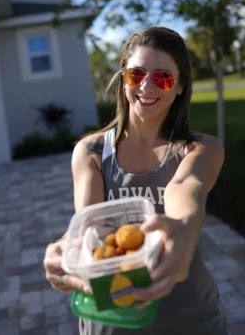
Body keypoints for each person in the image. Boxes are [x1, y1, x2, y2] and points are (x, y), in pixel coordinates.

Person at [43, 26, 227, 334]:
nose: (146, 85)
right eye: (136, 74)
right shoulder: (91, 151)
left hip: (188, 318)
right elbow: (89, 225)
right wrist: (64, 247)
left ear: (180, 86)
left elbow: (185, 187)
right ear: (123, 78)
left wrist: (183, 228)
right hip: (112, 319)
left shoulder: (200, 148)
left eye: (162, 78)